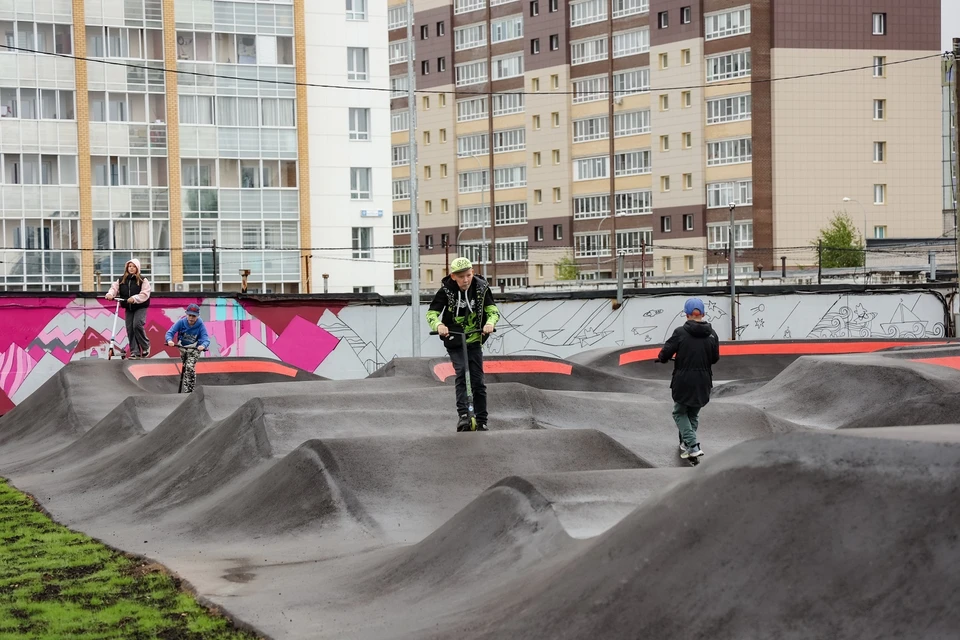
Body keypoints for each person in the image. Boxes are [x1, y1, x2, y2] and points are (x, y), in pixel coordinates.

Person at [426, 257, 500, 432]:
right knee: (461, 374)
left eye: (468, 275)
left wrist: (490, 323)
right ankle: (464, 415)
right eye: (461, 277)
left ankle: (482, 419)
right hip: (455, 338)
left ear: (472, 273)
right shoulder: (446, 291)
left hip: (474, 338)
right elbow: (432, 314)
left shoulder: (481, 288)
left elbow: (493, 311)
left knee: (478, 381)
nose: (465, 280)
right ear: (453, 277)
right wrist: (439, 326)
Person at [656, 297, 720, 460]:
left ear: (686, 314)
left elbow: (666, 353)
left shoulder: (680, 332)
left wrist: (662, 358)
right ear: (703, 314)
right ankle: (685, 442)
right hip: (704, 380)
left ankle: (692, 445)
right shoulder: (712, 334)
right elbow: (714, 358)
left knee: (679, 412)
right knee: (692, 413)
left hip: (684, 379)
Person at [105, 258, 152, 359]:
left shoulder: (143, 280)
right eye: (129, 266)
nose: (131, 268)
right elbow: (114, 288)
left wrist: (134, 298)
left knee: (137, 325)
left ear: (137, 268)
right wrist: (110, 294)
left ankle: (145, 346)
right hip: (128, 307)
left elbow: (145, 293)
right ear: (127, 268)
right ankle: (134, 352)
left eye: (134, 266)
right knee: (130, 329)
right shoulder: (121, 279)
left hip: (140, 306)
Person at [165, 303, 210, 394]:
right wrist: (169, 340)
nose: (191, 318)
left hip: (194, 349)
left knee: (190, 367)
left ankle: (190, 391)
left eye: (194, 316)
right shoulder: (181, 322)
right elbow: (170, 332)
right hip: (183, 348)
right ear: (186, 314)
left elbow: (206, 339)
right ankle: (187, 389)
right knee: (186, 368)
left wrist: (203, 346)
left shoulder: (200, 325)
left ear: (197, 316)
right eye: (190, 315)